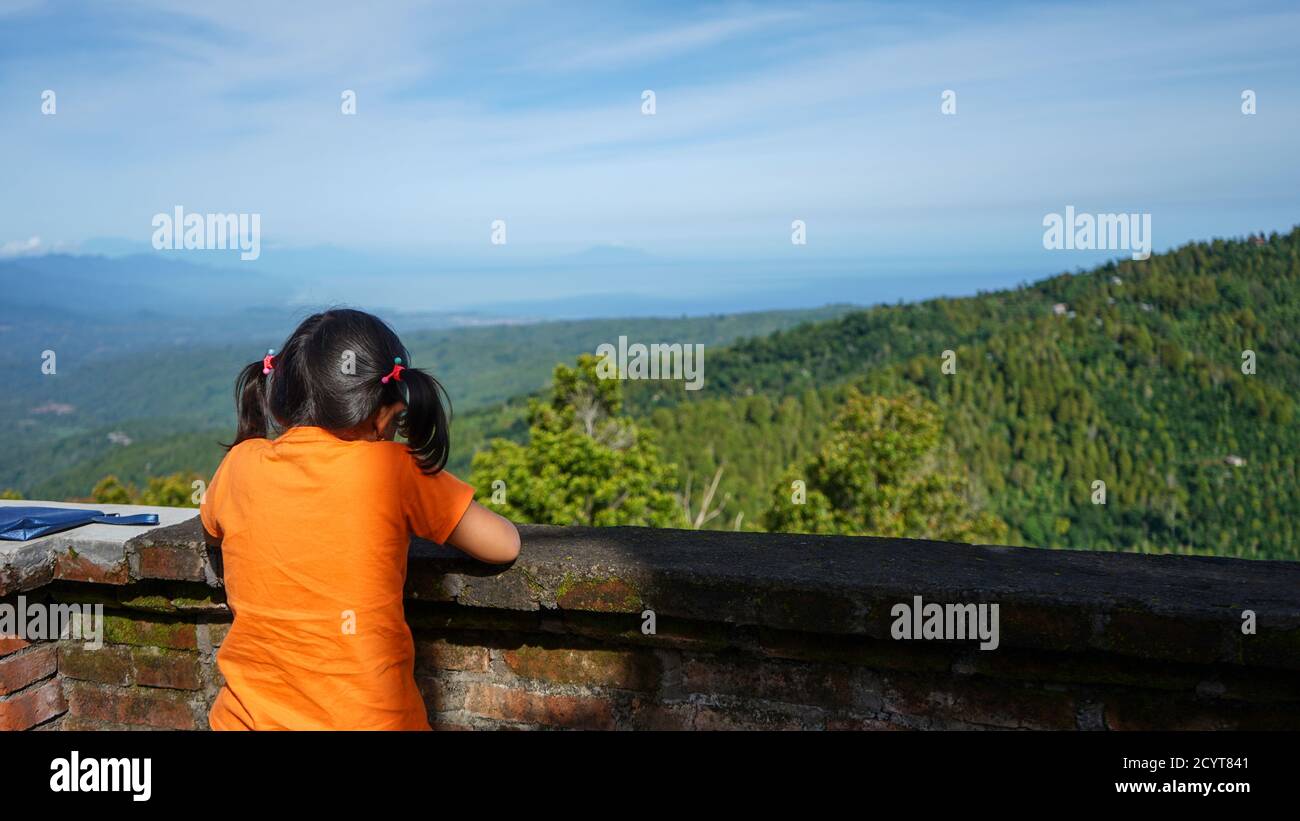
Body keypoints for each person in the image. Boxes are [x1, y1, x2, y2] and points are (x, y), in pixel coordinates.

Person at [199, 308, 520, 730]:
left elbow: (212, 525)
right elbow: (503, 544)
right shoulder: (393, 469)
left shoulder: (240, 465)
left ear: (278, 406)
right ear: (386, 412)